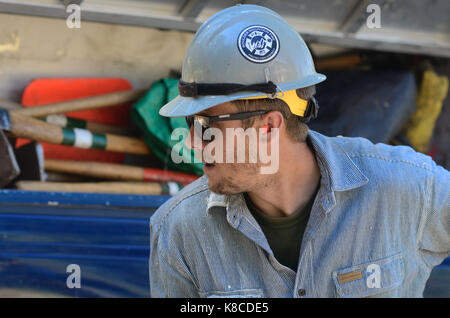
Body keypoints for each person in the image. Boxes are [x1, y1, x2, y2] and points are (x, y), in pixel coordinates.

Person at [149, 4, 449, 297]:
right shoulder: (179, 231)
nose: (191, 142)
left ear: (267, 128)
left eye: (204, 124)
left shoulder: (408, 190)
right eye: (190, 122)